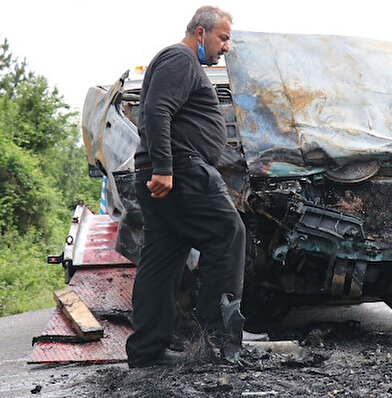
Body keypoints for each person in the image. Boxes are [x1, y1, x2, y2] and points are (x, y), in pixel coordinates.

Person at [126, 6, 248, 368]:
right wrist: (165, 168)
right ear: (200, 33)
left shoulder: (181, 63)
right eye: (222, 38)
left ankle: (147, 351)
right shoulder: (180, 59)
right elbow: (156, 111)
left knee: (163, 260)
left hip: (168, 173)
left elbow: (163, 112)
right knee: (228, 234)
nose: (226, 46)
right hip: (179, 172)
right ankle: (217, 342)